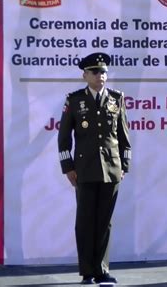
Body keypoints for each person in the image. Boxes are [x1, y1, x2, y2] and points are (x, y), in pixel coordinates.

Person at [58, 52, 132, 285]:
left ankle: (102, 270)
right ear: (85, 75)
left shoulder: (116, 99)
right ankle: (87, 272)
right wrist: (68, 167)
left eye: (104, 72)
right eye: (96, 72)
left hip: (111, 169)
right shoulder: (74, 100)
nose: (101, 76)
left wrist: (124, 165)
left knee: (104, 222)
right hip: (84, 169)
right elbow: (63, 138)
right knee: (85, 221)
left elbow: (124, 136)